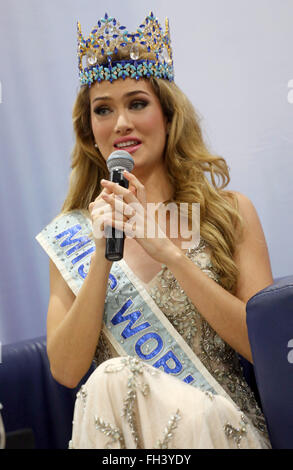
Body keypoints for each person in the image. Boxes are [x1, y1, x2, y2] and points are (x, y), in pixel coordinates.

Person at [36, 12, 273, 449]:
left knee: (113, 377)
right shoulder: (71, 234)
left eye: (137, 103)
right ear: (90, 134)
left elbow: (265, 349)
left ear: (168, 115)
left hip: (220, 427)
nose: (121, 122)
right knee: (112, 377)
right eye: (103, 110)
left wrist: (173, 256)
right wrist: (101, 261)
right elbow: (67, 372)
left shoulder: (228, 212)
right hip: (127, 441)